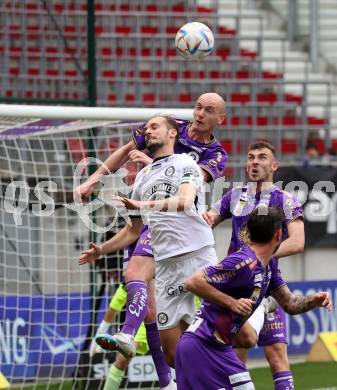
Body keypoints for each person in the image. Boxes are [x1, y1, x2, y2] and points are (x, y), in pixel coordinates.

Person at [78, 93, 227, 369]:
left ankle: (254, 308)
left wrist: (154, 166)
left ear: (221, 119)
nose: (200, 113)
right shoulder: (169, 128)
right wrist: (92, 182)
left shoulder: (212, 155)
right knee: (172, 351)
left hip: (188, 236)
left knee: (229, 328)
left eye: (209, 110)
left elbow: (187, 191)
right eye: (198, 107)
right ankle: (135, 342)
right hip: (160, 230)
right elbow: (125, 153)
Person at [176, 206, 332, 390]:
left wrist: (313, 301)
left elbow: (290, 304)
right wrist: (232, 303)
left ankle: (263, 307)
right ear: (278, 235)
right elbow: (193, 282)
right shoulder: (242, 262)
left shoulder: (268, 265)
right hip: (202, 345)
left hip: (217, 347)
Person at [204, 141, 305, 389]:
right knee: (236, 361)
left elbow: (299, 241)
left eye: (261, 157)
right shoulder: (234, 195)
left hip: (268, 287)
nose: (254, 162)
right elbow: (208, 222)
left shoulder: (285, 199)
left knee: (277, 358)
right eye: (251, 157)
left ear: (274, 165)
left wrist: (261, 257)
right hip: (235, 291)